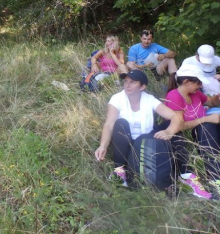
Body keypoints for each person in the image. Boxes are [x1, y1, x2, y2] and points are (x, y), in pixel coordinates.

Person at [94, 70, 183, 187]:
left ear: (142, 86)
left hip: (145, 141)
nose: (127, 85)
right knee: (120, 123)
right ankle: (119, 170)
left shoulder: (149, 99)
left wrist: (169, 131)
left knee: (172, 127)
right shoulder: (117, 98)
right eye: (125, 81)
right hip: (125, 142)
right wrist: (103, 146)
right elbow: (109, 124)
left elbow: (176, 117)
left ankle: (183, 173)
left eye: (132, 82)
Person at [165, 64, 220, 199]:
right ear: (186, 82)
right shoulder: (174, 96)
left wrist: (217, 97)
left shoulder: (195, 94)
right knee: (205, 126)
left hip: (208, 130)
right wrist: (206, 118)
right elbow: (179, 126)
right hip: (194, 135)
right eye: (198, 82)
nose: (200, 85)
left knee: (208, 125)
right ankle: (215, 179)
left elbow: (211, 103)